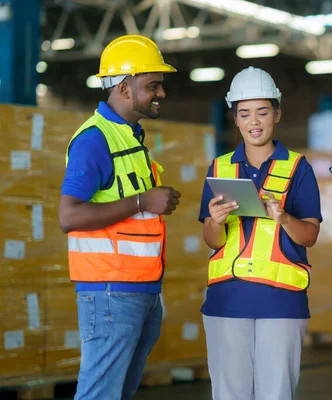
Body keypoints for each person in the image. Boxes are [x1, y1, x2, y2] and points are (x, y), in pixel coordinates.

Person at [58, 34, 181, 400]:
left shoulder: (130, 136)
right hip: (110, 291)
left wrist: (151, 201)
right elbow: (69, 215)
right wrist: (143, 200)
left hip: (139, 289)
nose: (161, 93)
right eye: (153, 86)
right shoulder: (95, 140)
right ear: (125, 88)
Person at [198, 66, 322, 400]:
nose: (254, 121)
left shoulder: (298, 168)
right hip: (226, 301)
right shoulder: (220, 168)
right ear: (235, 119)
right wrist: (216, 220)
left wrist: (282, 218)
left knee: (276, 394)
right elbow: (212, 240)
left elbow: (309, 235)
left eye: (262, 112)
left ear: (277, 114)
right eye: (244, 113)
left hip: (281, 303)